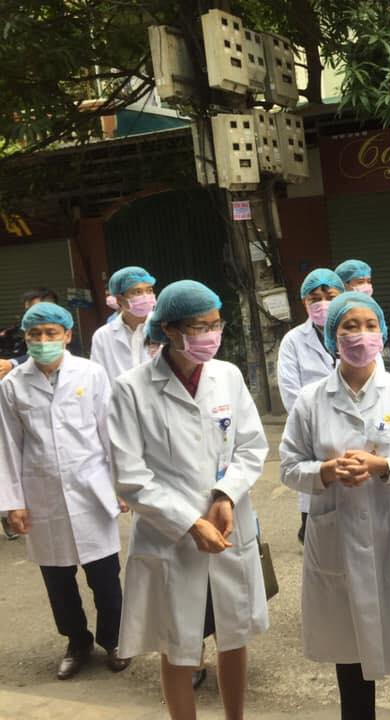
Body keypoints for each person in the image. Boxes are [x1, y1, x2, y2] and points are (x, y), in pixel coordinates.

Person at [108, 280, 269, 720]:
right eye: (200, 327)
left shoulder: (227, 375)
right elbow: (130, 476)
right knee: (178, 645)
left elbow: (252, 446)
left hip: (227, 525)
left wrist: (226, 495)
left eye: (216, 325)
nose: (211, 336)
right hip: (171, 538)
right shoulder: (131, 388)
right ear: (170, 330)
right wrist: (189, 522)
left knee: (234, 636)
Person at [280, 291, 390, 720]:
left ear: (382, 333)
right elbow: (289, 467)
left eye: (370, 325)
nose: (360, 335)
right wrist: (326, 471)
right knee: (351, 664)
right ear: (333, 338)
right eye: (349, 326)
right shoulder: (311, 400)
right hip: (339, 539)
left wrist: (384, 466)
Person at [0, 302, 130, 679]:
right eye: (35, 334)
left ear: (67, 335)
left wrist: (122, 485)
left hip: (92, 488)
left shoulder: (91, 374)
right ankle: (77, 640)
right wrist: (12, 503)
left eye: (51, 333)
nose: (43, 340)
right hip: (42, 494)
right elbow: (8, 445)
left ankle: (115, 639)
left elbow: (111, 432)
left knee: (105, 576)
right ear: (26, 338)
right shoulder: (12, 385)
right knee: (58, 580)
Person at [277, 268, 345, 544]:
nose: (322, 304)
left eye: (330, 296)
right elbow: (290, 391)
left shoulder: (354, 330)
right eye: (314, 298)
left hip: (354, 427)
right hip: (312, 429)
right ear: (304, 302)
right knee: (315, 503)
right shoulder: (293, 341)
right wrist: (318, 424)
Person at [90, 266, 157, 381]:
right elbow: (98, 379)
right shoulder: (103, 336)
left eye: (149, 290)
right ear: (119, 299)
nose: (146, 297)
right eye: (137, 292)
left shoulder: (165, 328)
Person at [0, 288, 62, 381]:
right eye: (27, 311)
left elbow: (47, 355)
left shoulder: (63, 334)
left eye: (34, 310)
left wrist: (12, 364)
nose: (29, 315)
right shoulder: (27, 331)